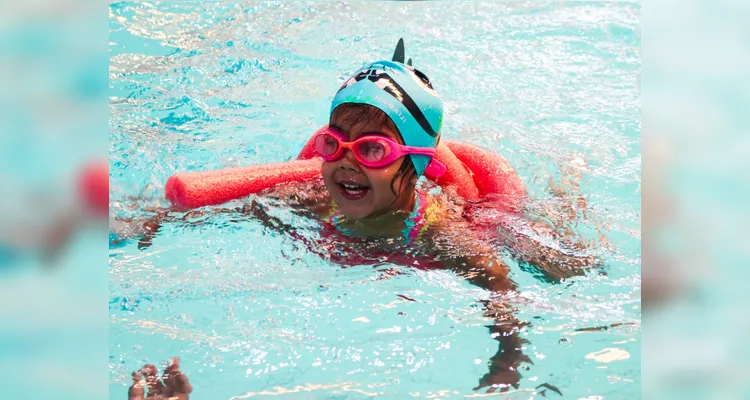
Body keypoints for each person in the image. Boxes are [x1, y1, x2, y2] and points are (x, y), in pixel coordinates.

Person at [118, 39, 601, 394]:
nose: (346, 162)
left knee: (567, 264)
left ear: (416, 164)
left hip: (458, 219)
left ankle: (568, 186)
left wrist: (507, 362)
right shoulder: (311, 199)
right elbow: (241, 208)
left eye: (371, 149)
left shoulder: (441, 234)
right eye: (335, 145)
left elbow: (500, 293)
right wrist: (157, 221)